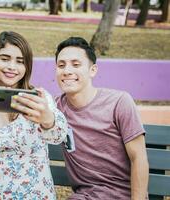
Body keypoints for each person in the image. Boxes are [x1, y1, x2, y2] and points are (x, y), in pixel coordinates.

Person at [0, 31, 68, 199]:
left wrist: (47, 119)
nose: (12, 67)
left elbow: (58, 136)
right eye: (5, 59)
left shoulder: (39, 98)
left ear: (26, 67)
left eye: (20, 61)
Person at [55, 37, 149, 199]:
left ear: (93, 70)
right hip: (83, 196)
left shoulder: (119, 102)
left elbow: (138, 157)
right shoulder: (56, 108)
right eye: (61, 65)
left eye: (76, 64)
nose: (67, 71)